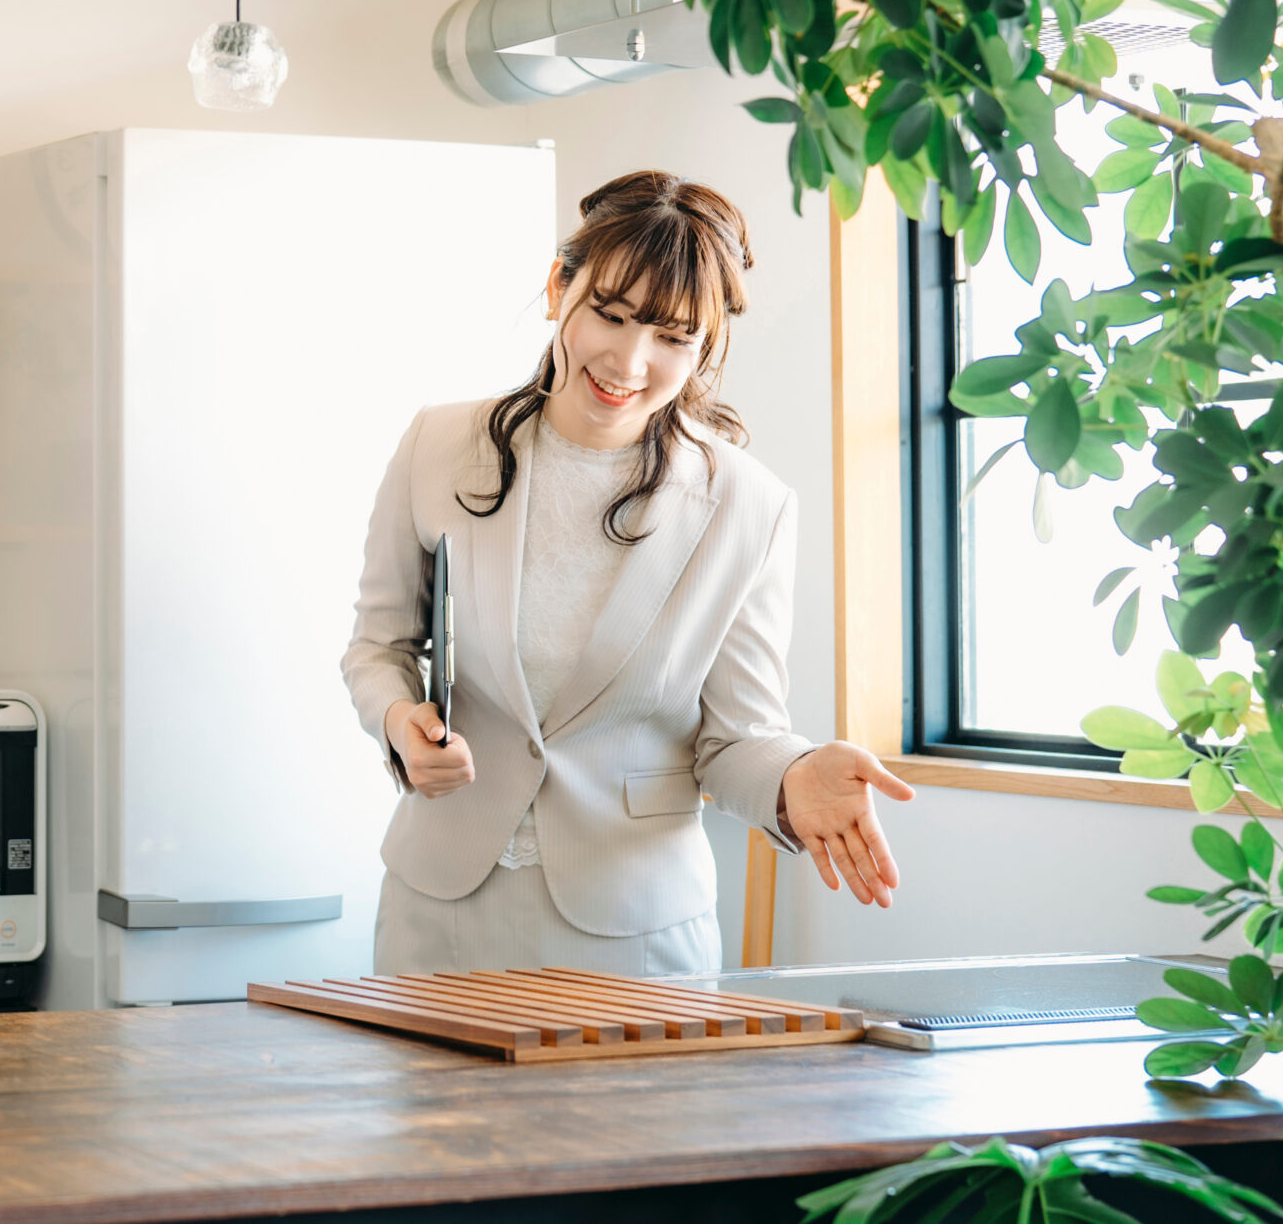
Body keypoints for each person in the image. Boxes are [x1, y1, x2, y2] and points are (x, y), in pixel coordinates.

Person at [339, 171, 913, 976]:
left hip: (637, 929)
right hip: (441, 909)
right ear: (557, 287)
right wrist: (400, 722)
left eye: (673, 337)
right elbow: (377, 646)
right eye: (608, 315)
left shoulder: (749, 505)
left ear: (705, 345)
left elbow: (733, 736)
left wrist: (791, 775)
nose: (631, 360)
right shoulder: (437, 445)